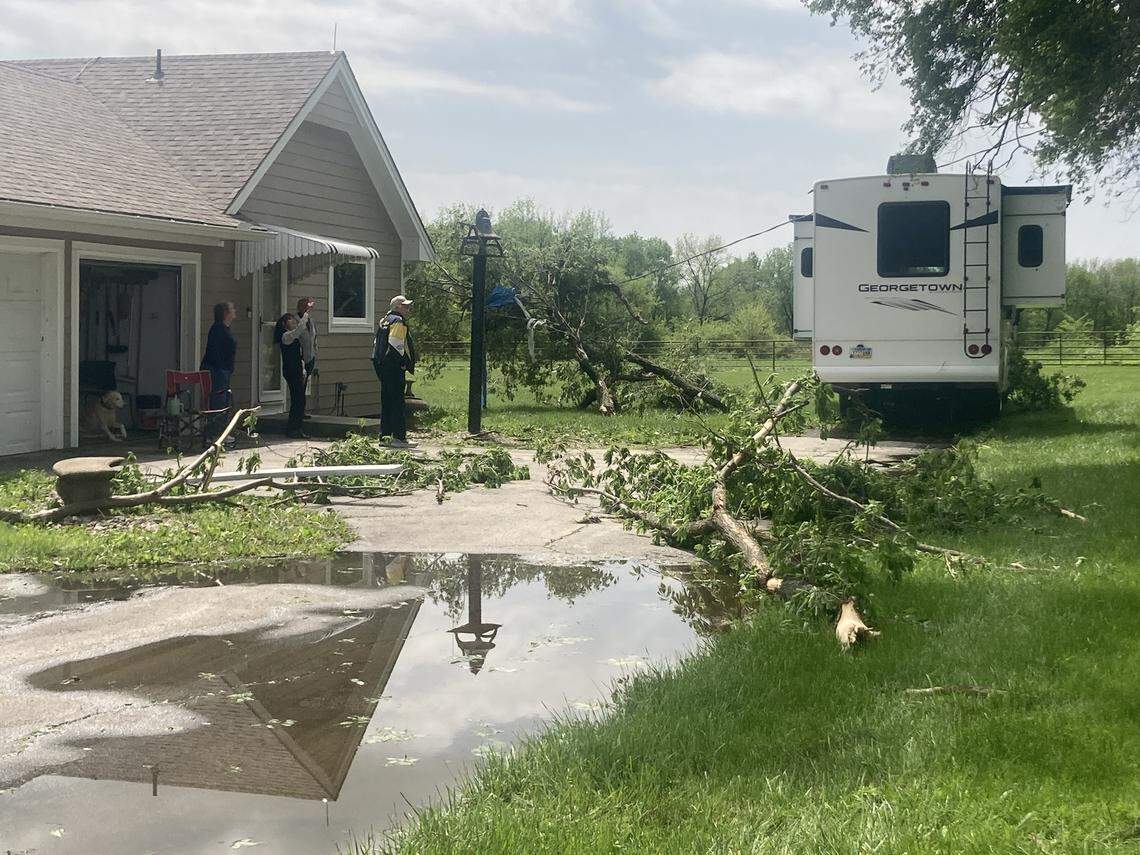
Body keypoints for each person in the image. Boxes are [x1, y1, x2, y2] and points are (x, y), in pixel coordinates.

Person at [372, 295, 416, 448]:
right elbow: (396, 344)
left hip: (381, 365)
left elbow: (377, 343)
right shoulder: (397, 321)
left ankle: (385, 437)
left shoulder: (385, 320)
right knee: (397, 402)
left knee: (387, 401)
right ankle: (399, 437)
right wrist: (403, 363)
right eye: (405, 306)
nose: (408, 309)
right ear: (397, 307)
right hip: (393, 367)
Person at [200, 301, 236, 441]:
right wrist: (222, 368)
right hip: (216, 370)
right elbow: (215, 351)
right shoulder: (218, 329)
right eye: (232, 309)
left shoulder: (225, 328)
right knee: (217, 401)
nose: (234, 310)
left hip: (223, 370)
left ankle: (220, 432)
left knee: (224, 401)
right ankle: (215, 434)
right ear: (225, 313)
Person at [275, 310, 310, 439]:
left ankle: (296, 427)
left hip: (297, 371)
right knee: (298, 400)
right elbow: (299, 330)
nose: (293, 320)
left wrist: (303, 371)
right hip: (291, 371)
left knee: (300, 400)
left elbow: (299, 356)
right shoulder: (286, 336)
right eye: (290, 319)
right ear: (284, 324)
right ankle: (293, 428)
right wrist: (306, 314)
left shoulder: (293, 338)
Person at [295, 297, 318, 404]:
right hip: (300, 359)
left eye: (308, 306)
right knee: (299, 386)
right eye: (305, 306)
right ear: (300, 307)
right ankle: (298, 412)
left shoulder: (311, 321)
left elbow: (314, 337)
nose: (308, 309)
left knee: (304, 386)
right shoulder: (295, 321)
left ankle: (302, 411)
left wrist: (315, 351)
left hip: (311, 357)